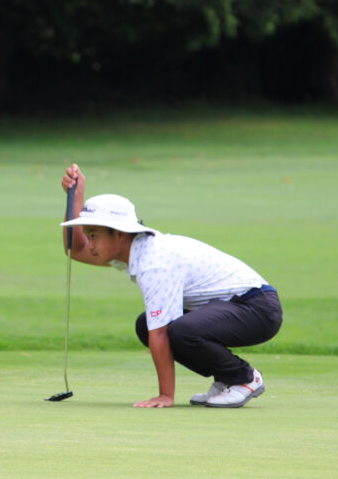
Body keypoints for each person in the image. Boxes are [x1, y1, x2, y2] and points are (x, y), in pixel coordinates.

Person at [60, 163, 282, 408]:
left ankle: (244, 378)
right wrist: (76, 197)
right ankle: (227, 378)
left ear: (120, 234)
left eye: (94, 236)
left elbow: (161, 333)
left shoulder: (154, 262)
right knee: (146, 325)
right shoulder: (136, 251)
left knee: (175, 330)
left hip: (257, 309)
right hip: (235, 307)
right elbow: (76, 250)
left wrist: (165, 395)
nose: (89, 244)